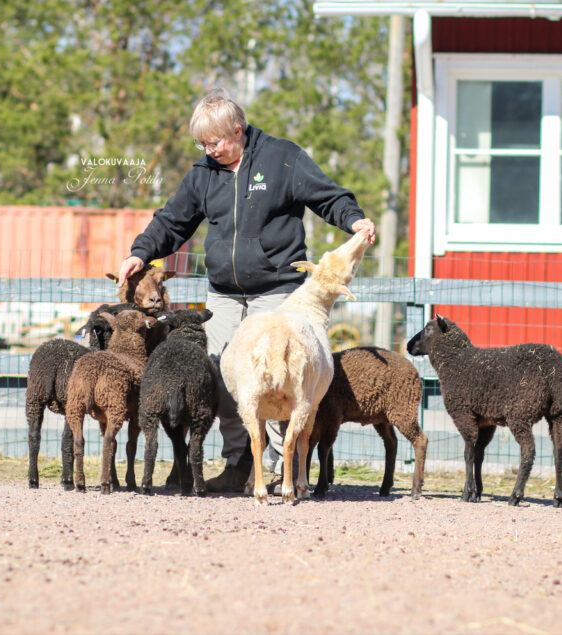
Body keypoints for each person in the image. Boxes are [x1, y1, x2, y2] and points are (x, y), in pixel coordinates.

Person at [116, 88, 376, 493]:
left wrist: (354, 221)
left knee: (278, 379)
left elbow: (327, 196)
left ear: (238, 130)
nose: (209, 150)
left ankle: (279, 467)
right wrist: (140, 253)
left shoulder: (281, 158)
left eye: (214, 141)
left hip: (276, 293)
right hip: (223, 294)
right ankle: (238, 463)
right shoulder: (204, 172)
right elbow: (172, 221)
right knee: (228, 380)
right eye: (202, 144)